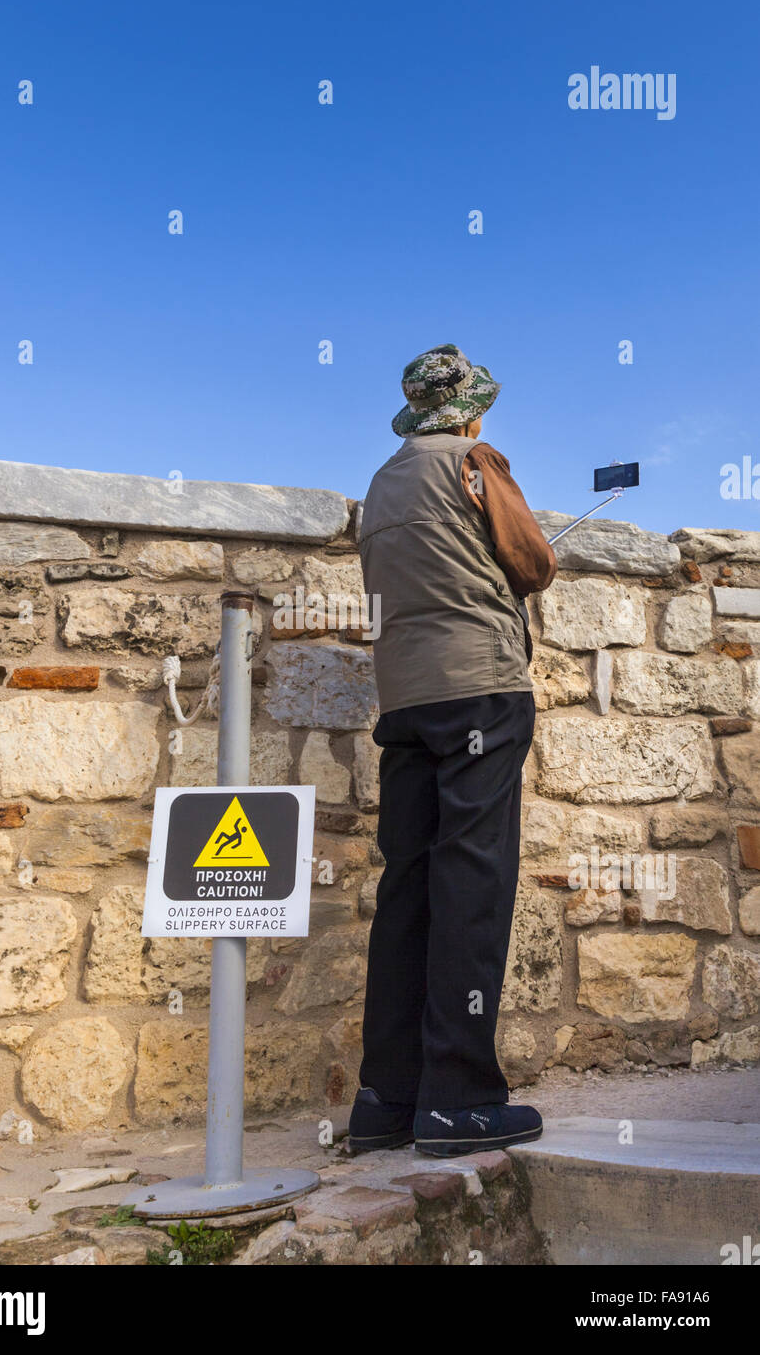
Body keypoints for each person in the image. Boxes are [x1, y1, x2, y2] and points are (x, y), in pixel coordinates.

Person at [349, 344, 558, 1158]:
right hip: (481, 692)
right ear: (469, 409)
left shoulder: (382, 482)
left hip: (405, 700)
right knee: (471, 882)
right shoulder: (475, 459)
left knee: (408, 890)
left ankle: (386, 1100)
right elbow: (533, 560)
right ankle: (459, 1101)